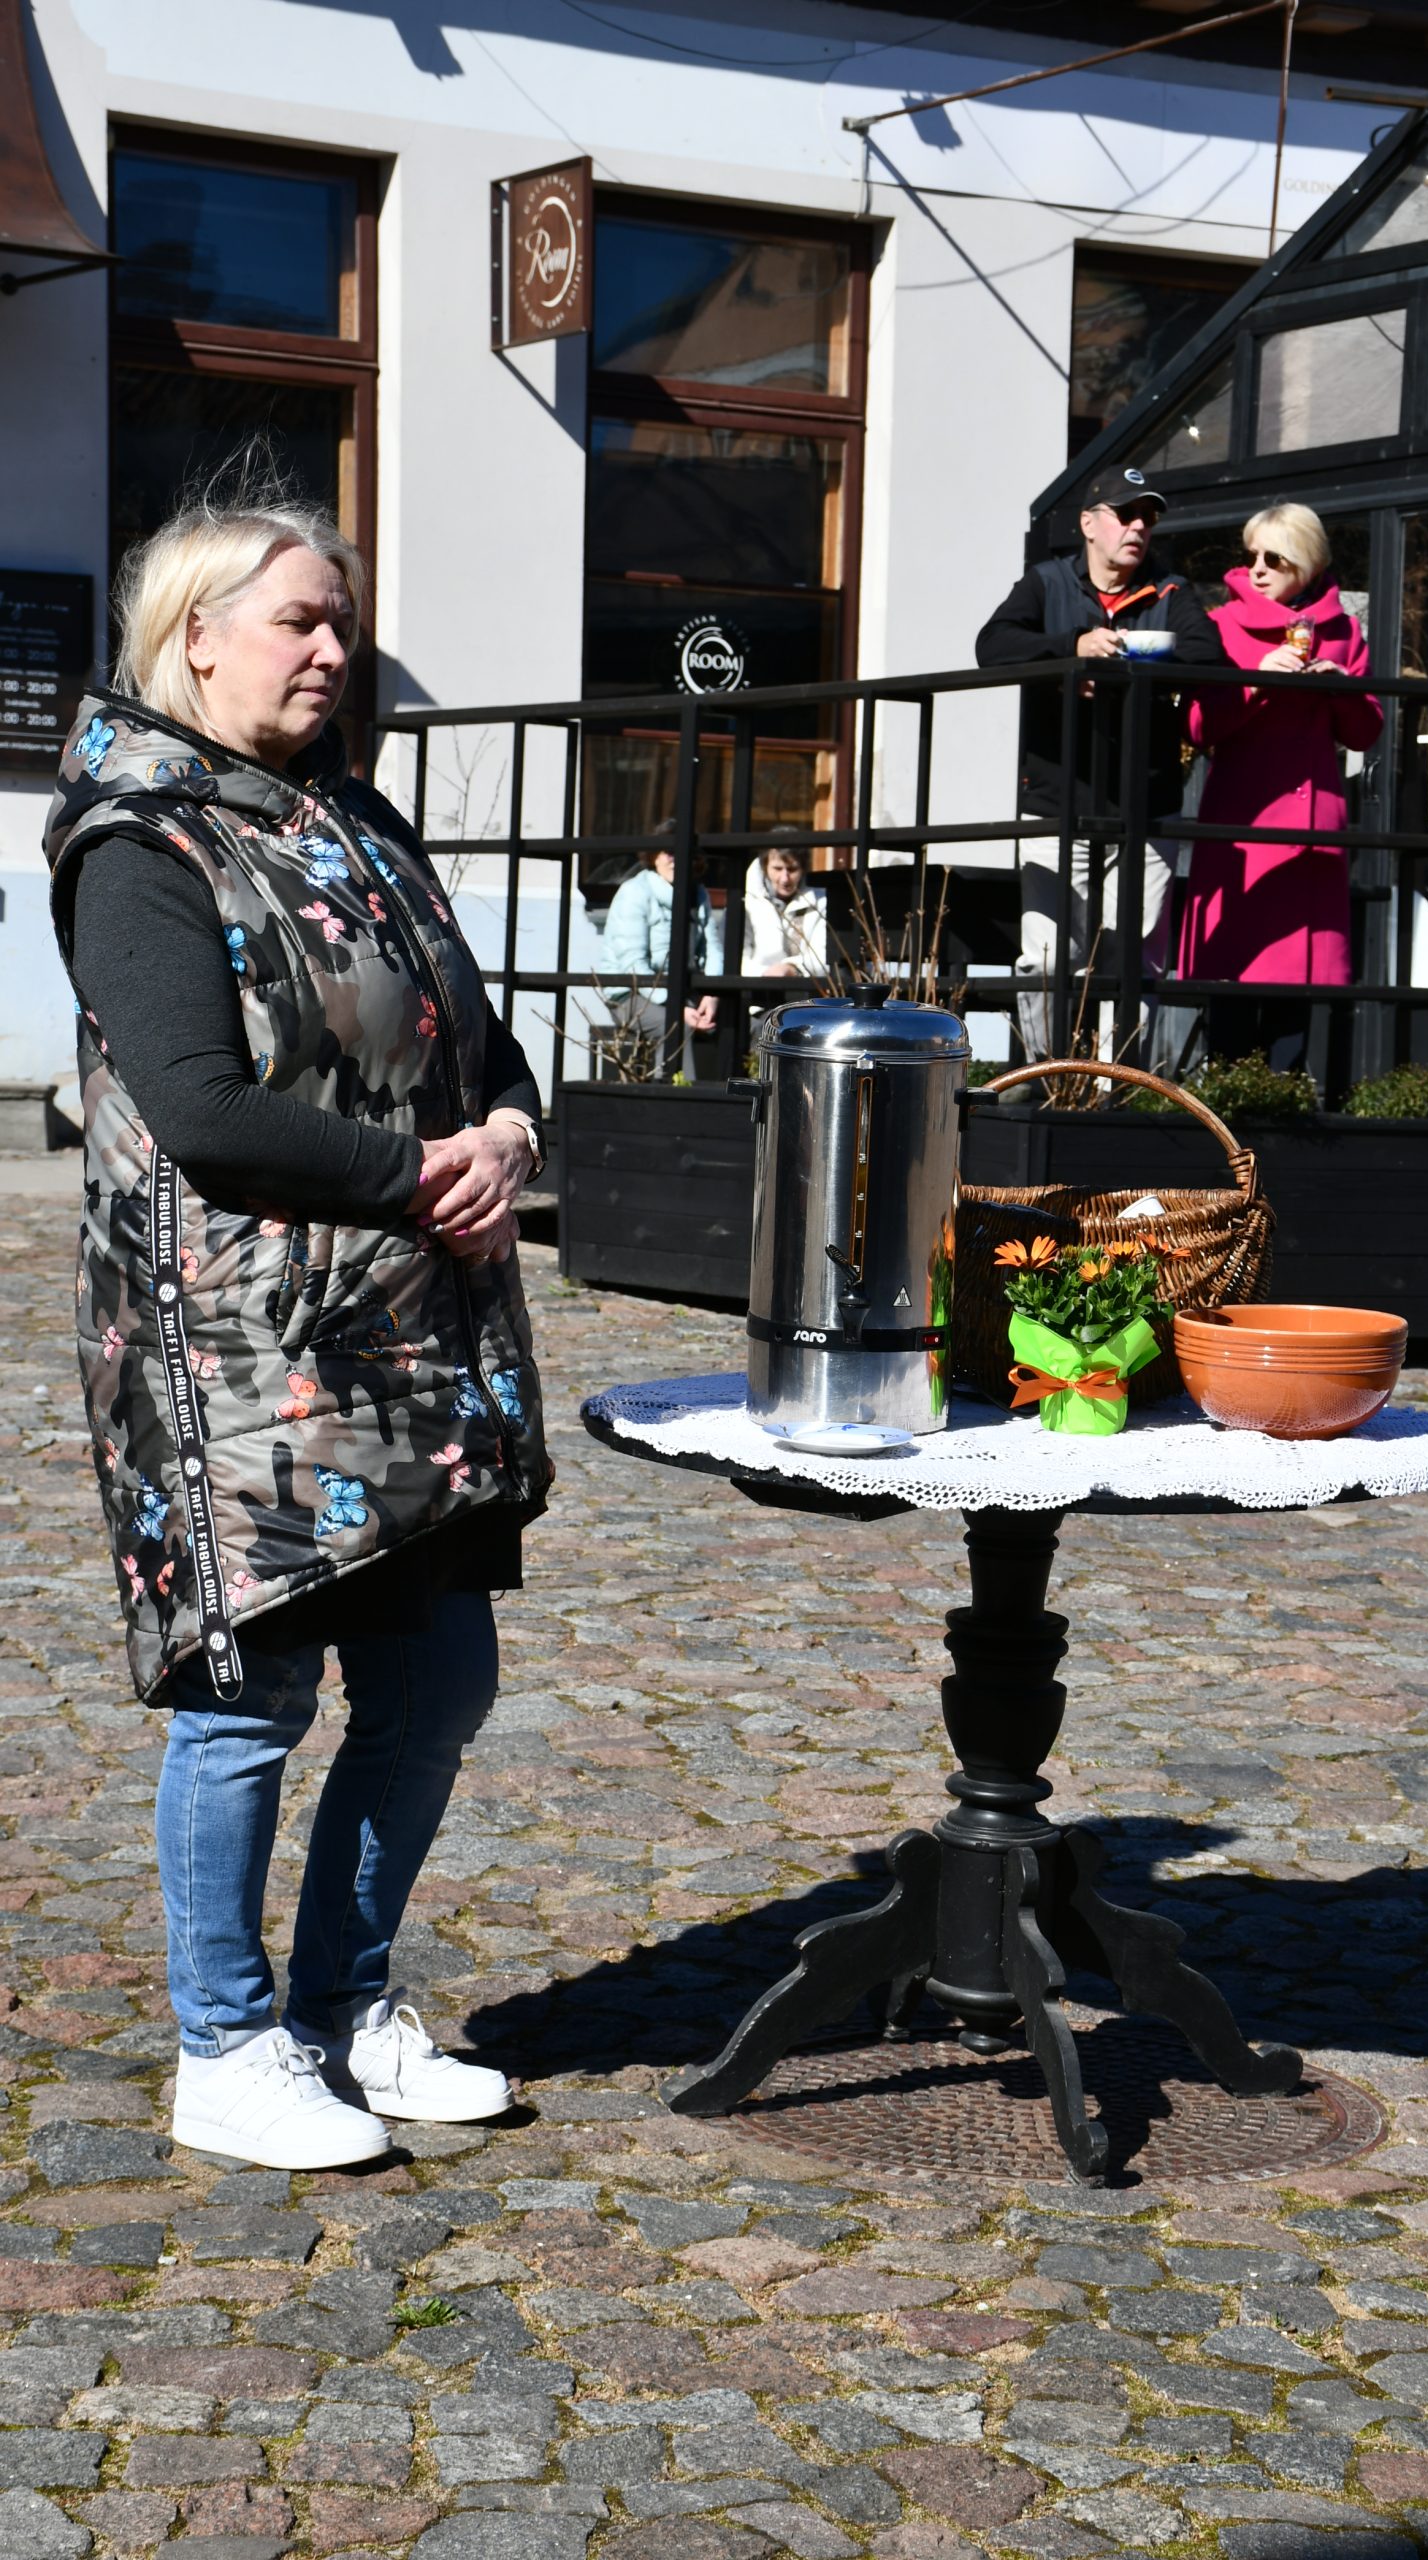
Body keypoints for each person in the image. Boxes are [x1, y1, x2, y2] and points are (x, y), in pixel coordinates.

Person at [42, 489, 553, 2171]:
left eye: (343, 621)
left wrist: (507, 1137)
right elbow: (202, 1112)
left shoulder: (354, 817)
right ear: (197, 639)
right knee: (250, 1701)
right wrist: (421, 1175)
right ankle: (224, 2044)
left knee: (437, 1683)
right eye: (299, 621)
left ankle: (343, 2009)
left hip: (411, 1344)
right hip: (238, 1356)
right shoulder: (142, 844)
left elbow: (483, 1047)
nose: (334, 648)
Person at [975, 464, 1227, 1059]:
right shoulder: (1045, 583)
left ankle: (1118, 1084)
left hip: (1146, 807)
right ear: (1089, 524)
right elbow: (993, 646)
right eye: (1126, 514)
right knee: (1046, 957)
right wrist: (1072, 651)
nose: (1139, 527)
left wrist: (1131, 664)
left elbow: (1209, 658)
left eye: (1149, 517)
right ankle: (1047, 1076)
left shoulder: (1170, 591)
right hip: (1056, 802)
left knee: (1133, 958)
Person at [1175, 501, 1384, 1067]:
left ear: (1307, 563)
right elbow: (1197, 725)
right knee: (1233, 975)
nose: (1258, 569)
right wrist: (1254, 681)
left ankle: (1285, 1103)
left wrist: (1341, 688)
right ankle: (1227, 1100)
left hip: (1312, 824)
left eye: (1275, 558)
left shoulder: (1343, 630)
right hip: (1244, 819)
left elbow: (1366, 733)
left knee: (1297, 984)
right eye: (1253, 557)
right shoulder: (1222, 624)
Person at [600, 844, 718, 1078]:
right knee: (674, 1027)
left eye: (683, 852)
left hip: (685, 993)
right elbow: (633, 964)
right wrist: (676, 1007)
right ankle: (679, 1096)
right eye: (669, 852)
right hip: (631, 994)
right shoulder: (635, 892)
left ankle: (748, 1099)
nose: (676, 859)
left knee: (745, 1023)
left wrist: (712, 995)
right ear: (653, 856)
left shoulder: (698, 893)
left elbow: (713, 948)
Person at [742, 833, 828, 980]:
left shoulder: (821, 902)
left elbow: (824, 957)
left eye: (792, 869)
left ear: (803, 869)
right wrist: (764, 974)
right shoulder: (746, 900)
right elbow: (734, 956)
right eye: (777, 869)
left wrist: (793, 968)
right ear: (764, 867)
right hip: (754, 989)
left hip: (805, 990)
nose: (785, 879)